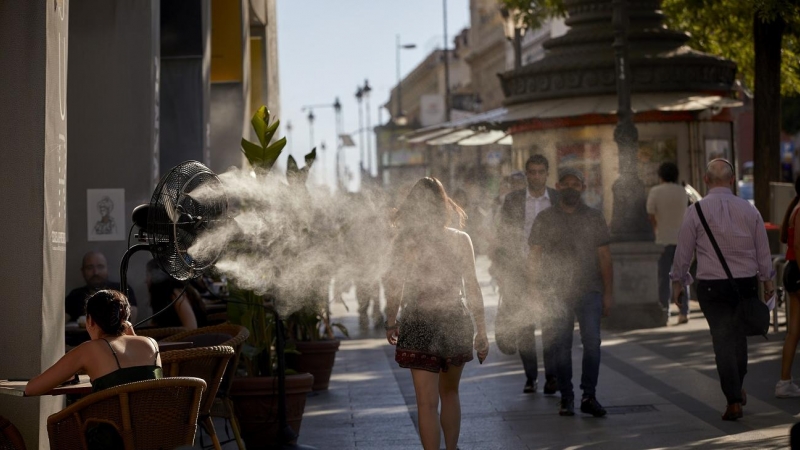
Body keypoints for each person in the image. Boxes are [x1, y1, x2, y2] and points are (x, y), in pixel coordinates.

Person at [385, 177, 489, 450]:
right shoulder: (460, 240)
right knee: (450, 392)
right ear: (444, 205)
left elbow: (395, 285)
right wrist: (482, 330)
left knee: (426, 403)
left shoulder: (404, 242)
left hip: (418, 320)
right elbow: (473, 286)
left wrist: (390, 320)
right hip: (454, 319)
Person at [671, 158, 773, 421]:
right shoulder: (750, 211)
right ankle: (736, 388)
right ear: (732, 179)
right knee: (738, 340)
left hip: (711, 289)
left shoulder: (696, 211)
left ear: (705, 181)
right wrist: (769, 281)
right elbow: (763, 249)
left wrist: (678, 282)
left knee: (723, 340)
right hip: (745, 284)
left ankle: (733, 399)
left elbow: (684, 251)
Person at [528, 167, 613, 417]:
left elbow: (605, 257)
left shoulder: (594, 217)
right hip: (556, 293)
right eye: (565, 184)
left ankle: (589, 395)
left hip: (590, 290)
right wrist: (533, 291)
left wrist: (608, 293)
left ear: (583, 188)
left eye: (575, 184)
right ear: (557, 186)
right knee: (561, 347)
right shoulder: (545, 218)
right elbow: (534, 257)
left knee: (593, 344)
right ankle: (566, 396)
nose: (570, 188)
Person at [28, 290, 162, 448]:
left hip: (110, 442)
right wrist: (130, 331)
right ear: (124, 319)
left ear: (90, 321)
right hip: (154, 435)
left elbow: (32, 389)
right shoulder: (151, 344)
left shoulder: (89, 350)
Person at [496, 155, 559, 394]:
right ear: (526, 174)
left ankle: (551, 376)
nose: (536, 176)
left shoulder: (556, 198)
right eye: (531, 172)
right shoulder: (512, 200)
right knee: (524, 326)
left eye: (540, 172)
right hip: (518, 270)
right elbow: (503, 237)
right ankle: (531, 376)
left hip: (549, 272)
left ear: (547, 173)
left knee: (550, 323)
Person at [647, 162, 690, 324]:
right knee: (681, 278)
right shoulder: (682, 192)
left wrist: (656, 228)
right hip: (682, 240)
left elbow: (651, 214)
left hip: (662, 240)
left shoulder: (655, 191)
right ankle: (683, 312)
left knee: (663, 279)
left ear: (661, 175)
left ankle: (664, 313)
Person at [776, 176, 800, 398]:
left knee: (794, 330)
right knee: (793, 331)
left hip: (793, 271)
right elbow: (798, 244)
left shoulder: (795, 207)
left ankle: (785, 381)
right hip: (799, 272)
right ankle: (784, 382)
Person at [65, 251, 137, 323]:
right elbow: (60, 323)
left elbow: (129, 321)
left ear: (107, 269)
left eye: (100, 267)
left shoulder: (122, 289)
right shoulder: (74, 296)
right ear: (82, 271)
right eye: (90, 267)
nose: (96, 272)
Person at [146, 259, 206, 329]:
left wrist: (164, 331)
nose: (145, 280)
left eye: (148, 275)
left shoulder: (176, 294)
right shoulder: (163, 297)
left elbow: (192, 327)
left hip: (192, 338)